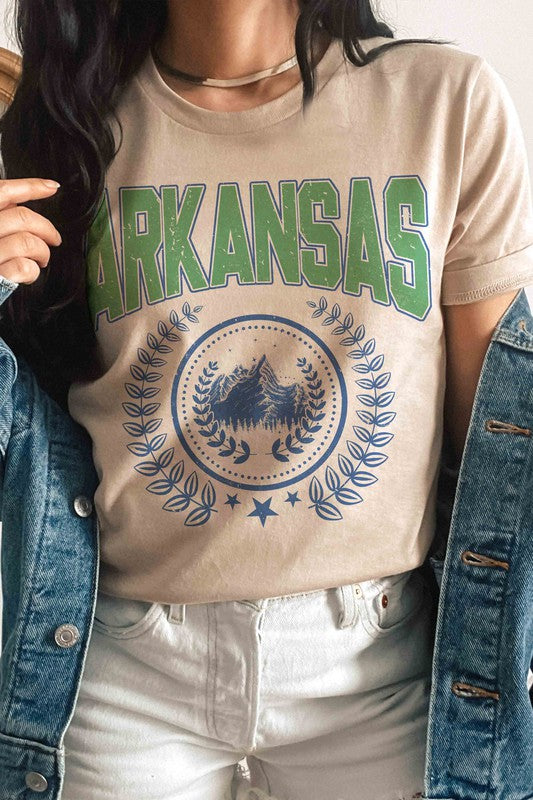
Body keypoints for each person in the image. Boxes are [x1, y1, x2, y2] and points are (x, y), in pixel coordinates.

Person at [0, 1, 532, 798]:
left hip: (377, 675)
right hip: (117, 668)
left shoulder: (443, 101)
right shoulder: (58, 132)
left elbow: (493, 454)